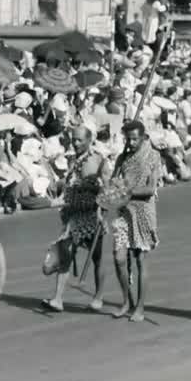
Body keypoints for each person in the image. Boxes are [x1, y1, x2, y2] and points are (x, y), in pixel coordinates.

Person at [43, 126, 110, 313]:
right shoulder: (73, 159)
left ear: (89, 140)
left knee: (97, 257)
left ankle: (98, 297)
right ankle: (57, 298)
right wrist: (59, 185)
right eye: (74, 139)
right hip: (73, 214)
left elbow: (107, 186)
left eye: (80, 140)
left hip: (90, 214)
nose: (76, 142)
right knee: (66, 253)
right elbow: (70, 182)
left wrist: (102, 199)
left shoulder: (98, 160)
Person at [110, 120, 162, 322]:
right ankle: (126, 301)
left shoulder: (153, 156)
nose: (131, 143)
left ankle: (140, 307)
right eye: (128, 139)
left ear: (143, 137)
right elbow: (113, 184)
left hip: (143, 212)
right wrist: (113, 186)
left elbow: (150, 189)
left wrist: (127, 191)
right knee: (119, 258)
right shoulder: (122, 158)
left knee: (140, 260)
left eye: (134, 139)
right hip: (124, 212)